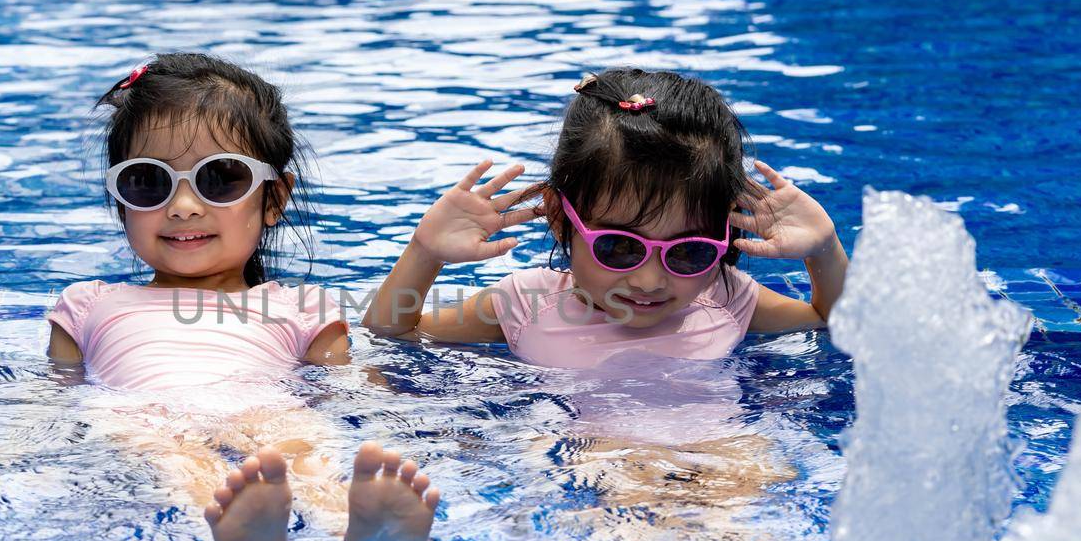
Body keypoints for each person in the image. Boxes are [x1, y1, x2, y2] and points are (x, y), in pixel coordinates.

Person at [46, 53, 439, 541]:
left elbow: (342, 391)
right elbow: (54, 398)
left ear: (274, 199)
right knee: (172, 454)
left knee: (300, 446)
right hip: (139, 410)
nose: (183, 205)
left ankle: (357, 526)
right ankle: (243, 536)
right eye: (148, 181)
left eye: (220, 178)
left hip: (265, 405)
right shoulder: (87, 304)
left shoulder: (302, 307)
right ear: (121, 201)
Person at [362, 67, 848, 364]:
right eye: (619, 247)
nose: (651, 279)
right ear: (561, 220)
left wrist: (824, 249)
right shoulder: (523, 303)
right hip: (588, 462)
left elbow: (840, 324)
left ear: (725, 234)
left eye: (690, 253)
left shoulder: (727, 296)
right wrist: (424, 253)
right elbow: (391, 335)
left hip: (720, 452)